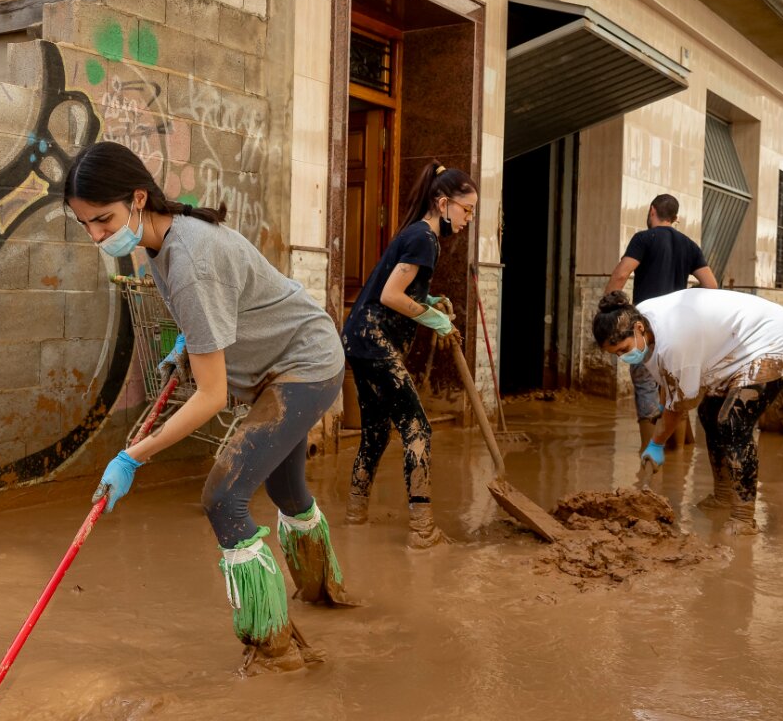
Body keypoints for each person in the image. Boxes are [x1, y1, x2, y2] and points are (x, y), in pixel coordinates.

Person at [64, 141, 350, 674]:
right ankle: (323, 590)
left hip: (304, 364)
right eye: (85, 225)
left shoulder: (190, 256)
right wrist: (183, 348)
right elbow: (216, 313)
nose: (97, 235)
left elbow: (212, 396)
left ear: (139, 198)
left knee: (224, 498)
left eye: (102, 219)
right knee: (286, 489)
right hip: (277, 364)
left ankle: (275, 650)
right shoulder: (162, 240)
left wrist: (134, 456)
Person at [340, 161, 477, 549]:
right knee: (417, 427)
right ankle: (422, 529)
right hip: (375, 340)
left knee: (377, 431)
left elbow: (399, 286)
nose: (468, 219)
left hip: (360, 338)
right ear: (443, 202)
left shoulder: (418, 235)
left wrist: (427, 299)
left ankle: (355, 514)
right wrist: (435, 318)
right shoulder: (424, 238)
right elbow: (390, 296)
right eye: (466, 210)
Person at [592, 289, 783, 534]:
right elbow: (667, 381)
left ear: (638, 328)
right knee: (709, 413)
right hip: (734, 347)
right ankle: (723, 496)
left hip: (774, 339)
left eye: (623, 349)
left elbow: (681, 406)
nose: (622, 357)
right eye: (616, 353)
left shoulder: (674, 342)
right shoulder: (639, 317)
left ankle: (744, 517)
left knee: (733, 421)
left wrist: (657, 443)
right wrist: (663, 408)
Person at [604, 194, 718, 450]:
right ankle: (679, 458)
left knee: (646, 387)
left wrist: (609, 310)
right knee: (676, 389)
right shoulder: (689, 245)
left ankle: (649, 461)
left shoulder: (644, 239)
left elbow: (622, 274)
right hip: (678, 330)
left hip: (648, 329)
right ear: (675, 217)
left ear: (652, 211)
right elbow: (711, 285)